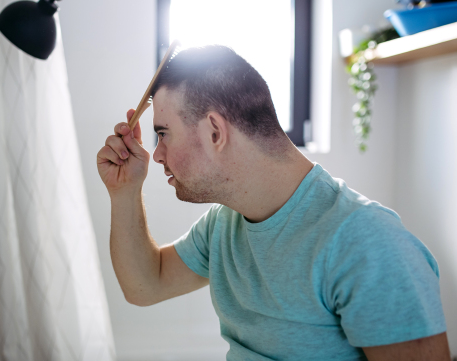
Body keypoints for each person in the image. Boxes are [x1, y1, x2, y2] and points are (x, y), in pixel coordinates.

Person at [96, 45, 449, 360]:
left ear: (215, 132)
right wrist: (125, 191)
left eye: (163, 134)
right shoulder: (223, 224)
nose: (156, 154)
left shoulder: (367, 242)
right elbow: (145, 285)